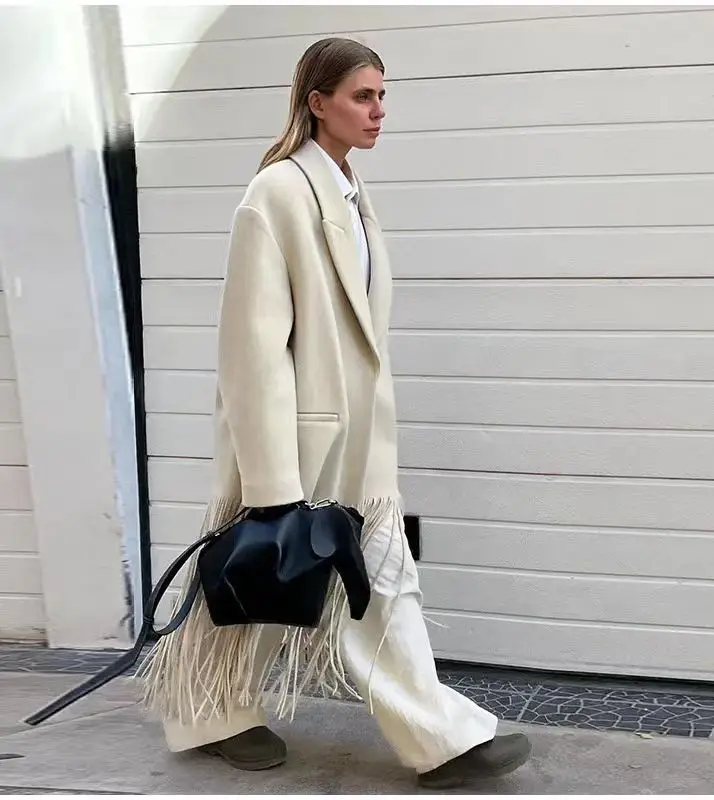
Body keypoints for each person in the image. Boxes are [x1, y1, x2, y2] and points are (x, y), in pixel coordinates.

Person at [138, 37, 532, 790]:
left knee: (381, 585)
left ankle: (440, 738)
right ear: (316, 103)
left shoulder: (350, 193)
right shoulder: (278, 194)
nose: (378, 111)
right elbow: (252, 349)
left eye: (384, 96)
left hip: (362, 450)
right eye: (362, 96)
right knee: (258, 592)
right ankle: (209, 712)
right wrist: (271, 483)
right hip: (300, 445)